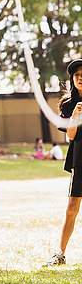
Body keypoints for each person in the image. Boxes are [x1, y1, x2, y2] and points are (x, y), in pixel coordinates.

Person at [44, 59, 82, 266]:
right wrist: (75, 115)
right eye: (77, 75)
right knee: (72, 207)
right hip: (80, 160)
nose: (80, 78)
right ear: (72, 79)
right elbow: (72, 136)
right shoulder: (69, 105)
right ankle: (60, 253)